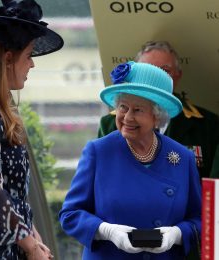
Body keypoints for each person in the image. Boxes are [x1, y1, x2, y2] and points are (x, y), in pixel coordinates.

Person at [59, 61, 201, 259]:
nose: (127, 117)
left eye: (138, 110)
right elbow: (70, 214)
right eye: (123, 107)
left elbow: (200, 219)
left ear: (157, 117)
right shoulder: (98, 152)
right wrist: (106, 231)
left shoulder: (183, 158)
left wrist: (177, 235)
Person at [0, 0, 63, 259]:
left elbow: (11, 194)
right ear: (8, 58)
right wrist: (30, 245)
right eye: (28, 55)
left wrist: (34, 238)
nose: (32, 64)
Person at [98, 41, 219, 180]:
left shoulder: (209, 125)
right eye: (148, 70)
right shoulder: (111, 124)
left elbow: (215, 189)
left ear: (178, 75)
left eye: (165, 71)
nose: (155, 78)